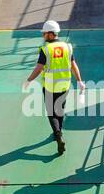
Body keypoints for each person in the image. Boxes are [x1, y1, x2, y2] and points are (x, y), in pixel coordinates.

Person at [25, 19, 83, 155]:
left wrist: (29, 80)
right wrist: (80, 81)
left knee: (51, 113)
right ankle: (60, 130)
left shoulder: (45, 50)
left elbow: (39, 68)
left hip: (50, 86)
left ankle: (58, 135)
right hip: (65, 85)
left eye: (44, 33)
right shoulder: (68, 47)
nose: (43, 36)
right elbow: (74, 65)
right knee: (60, 109)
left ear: (51, 34)